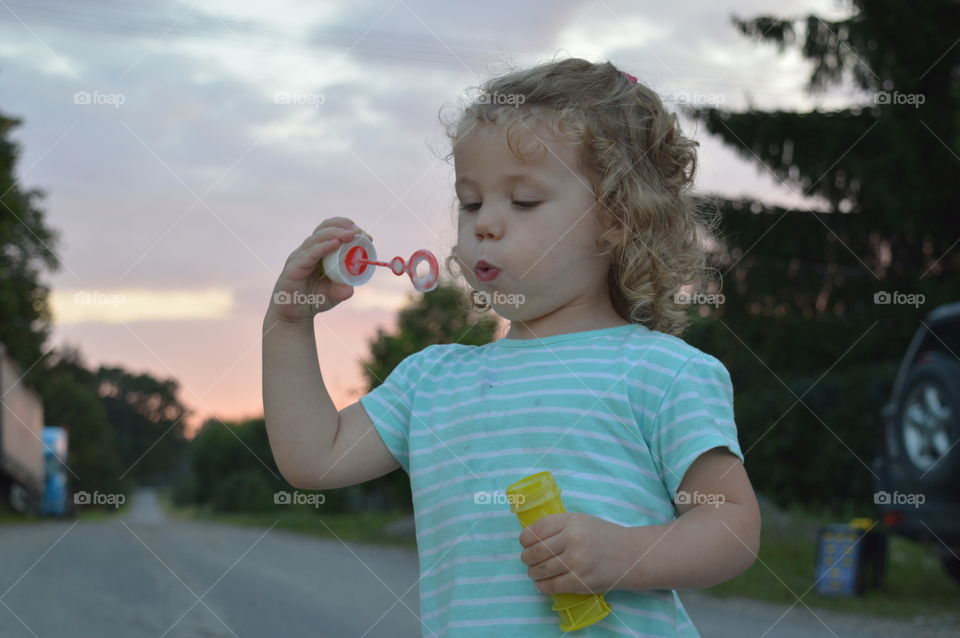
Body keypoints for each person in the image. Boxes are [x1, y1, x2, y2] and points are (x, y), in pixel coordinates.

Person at [262, 57, 761, 637]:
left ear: (618, 220)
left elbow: (730, 524)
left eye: (523, 202)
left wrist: (625, 554)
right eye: (471, 202)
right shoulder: (433, 380)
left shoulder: (661, 371)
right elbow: (312, 458)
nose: (484, 225)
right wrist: (291, 325)